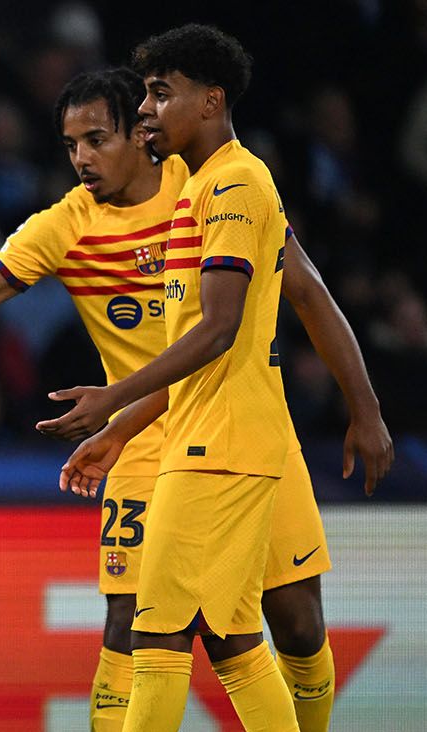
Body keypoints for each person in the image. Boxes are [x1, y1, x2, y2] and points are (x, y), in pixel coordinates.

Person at [0, 66, 391, 731]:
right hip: (143, 442)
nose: (82, 158)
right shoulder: (66, 225)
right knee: (136, 623)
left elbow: (309, 292)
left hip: (246, 424)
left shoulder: (208, 191)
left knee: (295, 620)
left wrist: (365, 407)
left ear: (143, 134)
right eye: (70, 144)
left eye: (96, 139)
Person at [41, 24, 390, 731]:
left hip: (217, 451)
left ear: (210, 101)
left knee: (161, 635)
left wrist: (115, 396)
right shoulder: (201, 191)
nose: (145, 112)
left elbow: (220, 330)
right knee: (232, 641)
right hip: (213, 437)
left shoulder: (234, 184)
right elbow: (206, 353)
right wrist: (121, 429)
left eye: (161, 96)